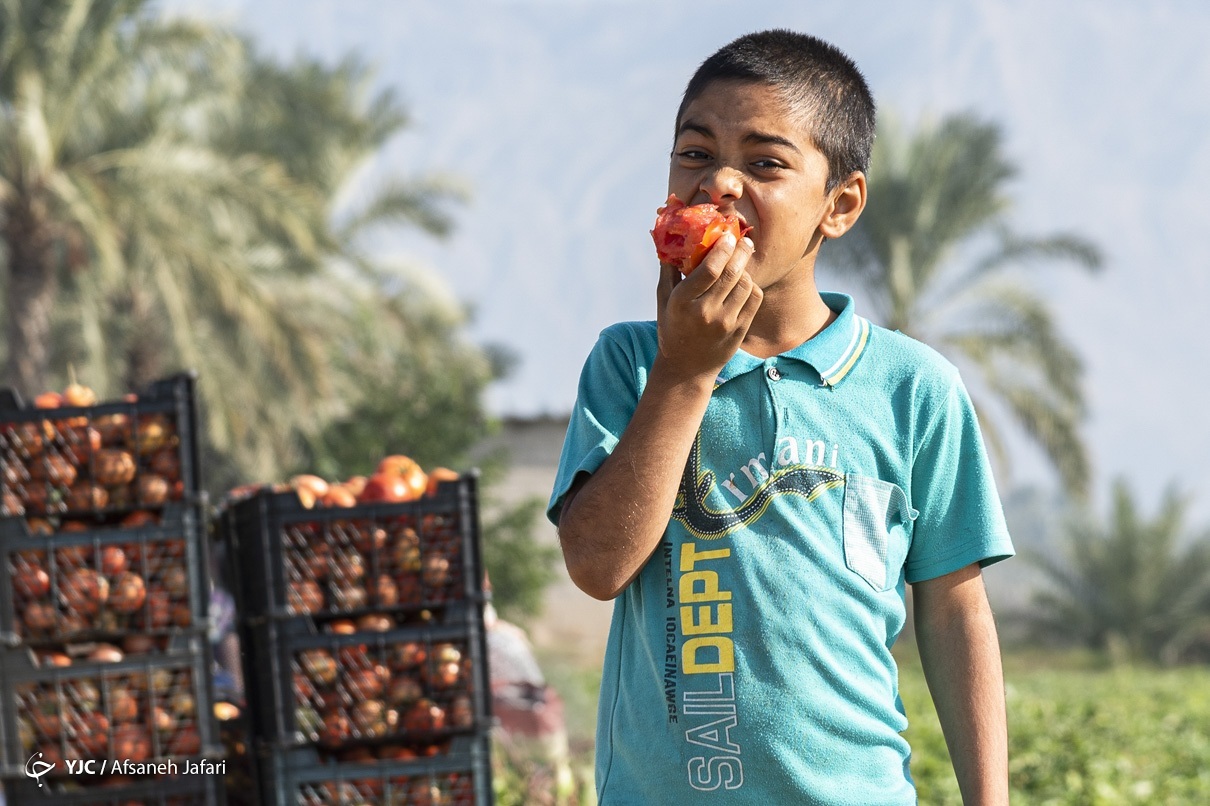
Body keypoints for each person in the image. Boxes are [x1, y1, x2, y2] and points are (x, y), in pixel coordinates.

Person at [547, 29, 1014, 805]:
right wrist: (684, 371)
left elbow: (956, 608)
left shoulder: (913, 388)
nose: (719, 184)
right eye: (694, 154)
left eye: (765, 163)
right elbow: (597, 568)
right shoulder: (631, 364)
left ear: (840, 206)